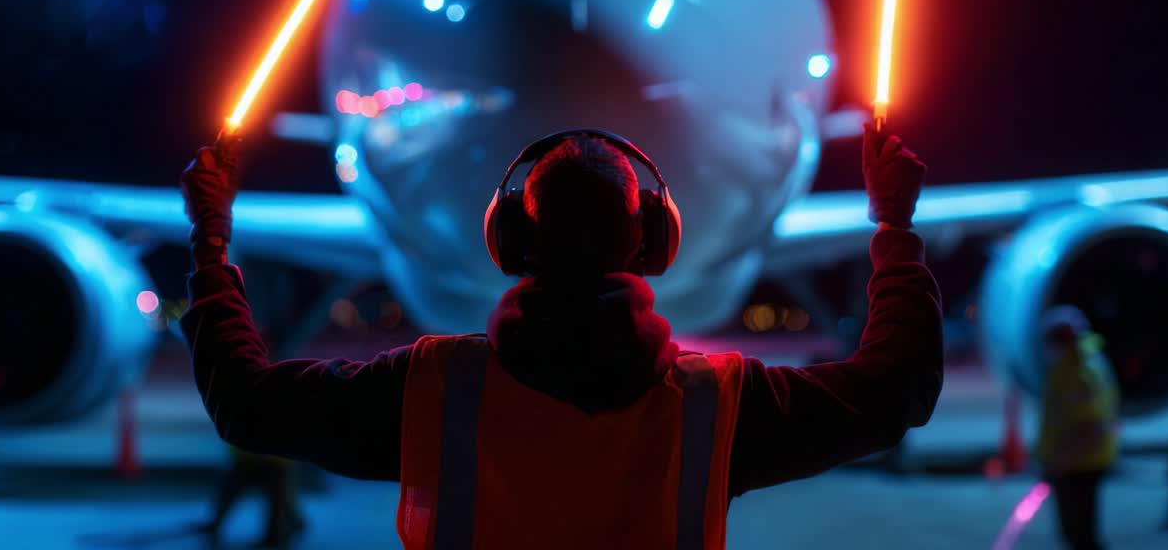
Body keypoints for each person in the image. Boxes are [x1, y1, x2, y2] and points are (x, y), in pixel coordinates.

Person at [178, 126, 943, 549]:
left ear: (510, 240)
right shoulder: (715, 405)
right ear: (652, 244)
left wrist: (211, 246)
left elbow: (245, 403)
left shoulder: (434, 390)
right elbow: (894, 391)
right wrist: (894, 226)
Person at [1035, 305, 1120, 550]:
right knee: (1079, 532)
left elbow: (1091, 425)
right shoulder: (1087, 363)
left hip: (1078, 464)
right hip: (1081, 461)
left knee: (1079, 533)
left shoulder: (1078, 372)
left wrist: (1060, 461)